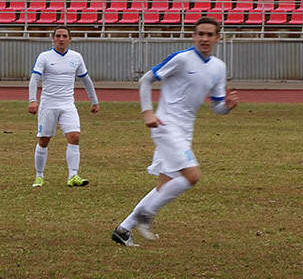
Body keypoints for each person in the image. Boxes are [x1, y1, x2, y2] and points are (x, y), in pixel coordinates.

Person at [112, 16, 238, 247]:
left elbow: (217, 107)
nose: (204, 38)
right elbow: (146, 80)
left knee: (165, 183)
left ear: (218, 38)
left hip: (185, 131)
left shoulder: (219, 67)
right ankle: (145, 214)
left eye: (210, 34)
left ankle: (123, 229)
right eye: (200, 33)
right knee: (192, 176)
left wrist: (227, 107)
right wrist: (147, 112)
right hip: (165, 125)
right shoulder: (181, 59)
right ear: (194, 35)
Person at [28, 26, 100, 188]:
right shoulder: (44, 57)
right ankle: (39, 176)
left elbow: (86, 79)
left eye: (64, 36)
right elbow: (34, 79)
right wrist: (32, 100)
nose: (61, 39)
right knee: (44, 140)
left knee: (74, 137)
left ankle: (73, 175)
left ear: (70, 39)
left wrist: (94, 100)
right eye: (58, 36)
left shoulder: (76, 57)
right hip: (48, 104)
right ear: (53, 38)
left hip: (68, 104)